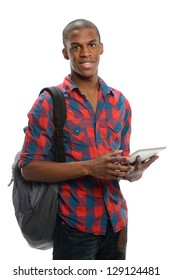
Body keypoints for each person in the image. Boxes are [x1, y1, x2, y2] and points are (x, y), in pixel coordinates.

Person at [19, 19, 158, 260]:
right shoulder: (50, 102)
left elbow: (117, 163)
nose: (85, 53)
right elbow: (29, 168)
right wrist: (88, 167)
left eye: (91, 44)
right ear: (65, 53)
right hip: (74, 227)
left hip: (117, 224)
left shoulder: (119, 102)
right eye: (76, 46)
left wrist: (132, 173)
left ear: (101, 48)